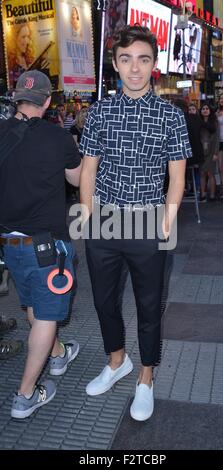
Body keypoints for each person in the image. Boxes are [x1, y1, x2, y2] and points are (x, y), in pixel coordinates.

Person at [80, 25, 192, 421]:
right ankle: (117, 361)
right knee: (103, 302)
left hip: (149, 221)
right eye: (126, 59)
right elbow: (88, 170)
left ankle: (146, 377)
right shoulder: (98, 112)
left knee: (148, 306)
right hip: (104, 222)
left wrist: (169, 218)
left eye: (143, 59)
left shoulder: (171, 116)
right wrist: (89, 218)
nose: (134, 68)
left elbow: (177, 176)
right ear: (114, 64)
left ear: (153, 65)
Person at [0, 70, 82, 419]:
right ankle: (25, 395)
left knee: (33, 303)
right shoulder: (58, 138)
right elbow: (78, 179)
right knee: (47, 315)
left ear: (18, 98)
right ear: (48, 102)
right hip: (47, 245)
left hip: (9, 242)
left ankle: (58, 353)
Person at [199, 103, 220, 201]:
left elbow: (217, 138)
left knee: (210, 173)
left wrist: (216, 153)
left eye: (207, 108)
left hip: (212, 150)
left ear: (210, 110)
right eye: (203, 109)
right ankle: (203, 194)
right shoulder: (198, 122)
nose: (205, 110)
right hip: (201, 151)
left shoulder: (215, 122)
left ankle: (212, 195)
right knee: (202, 173)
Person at [8, 24, 35, 89]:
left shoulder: (28, 58)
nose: (27, 41)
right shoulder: (10, 63)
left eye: (28, 37)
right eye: (23, 37)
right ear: (15, 38)